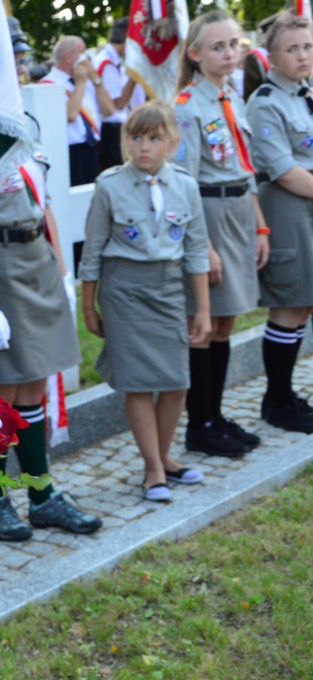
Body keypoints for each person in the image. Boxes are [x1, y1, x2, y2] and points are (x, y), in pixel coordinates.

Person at [0, 47, 100, 541]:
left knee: (35, 384)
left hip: (36, 259)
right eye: (6, 63)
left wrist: (61, 269)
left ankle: (42, 495)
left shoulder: (26, 125)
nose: (16, 71)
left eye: (19, 63)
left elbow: (45, 203)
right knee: (3, 391)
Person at [81, 102, 211, 502]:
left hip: (168, 289)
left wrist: (203, 309)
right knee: (138, 384)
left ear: (172, 143)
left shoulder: (186, 186)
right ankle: (153, 468)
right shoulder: (110, 185)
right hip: (125, 289)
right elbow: (93, 250)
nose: (143, 147)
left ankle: (165, 456)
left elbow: (196, 250)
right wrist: (89, 305)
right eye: (135, 137)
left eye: (154, 139)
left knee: (176, 382)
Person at [174, 10, 270, 458]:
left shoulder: (231, 97)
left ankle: (215, 412)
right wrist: (203, 248)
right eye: (218, 46)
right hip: (209, 216)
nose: (230, 53)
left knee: (228, 318)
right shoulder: (189, 107)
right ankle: (201, 423)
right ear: (196, 55)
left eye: (234, 44)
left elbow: (245, 168)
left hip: (238, 212)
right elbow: (186, 185)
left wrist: (260, 225)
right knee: (205, 324)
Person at [246, 11, 313, 433]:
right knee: (288, 305)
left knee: (304, 303)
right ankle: (277, 400)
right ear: (271, 56)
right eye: (292, 49)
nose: (303, 55)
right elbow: (284, 170)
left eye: (307, 47)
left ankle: (286, 395)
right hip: (287, 210)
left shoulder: (303, 95)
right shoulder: (266, 102)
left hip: (308, 206)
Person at [40, 36, 115, 186]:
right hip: (71, 152)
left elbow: (109, 110)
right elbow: (70, 114)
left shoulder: (86, 80)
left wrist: (95, 79)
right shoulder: (49, 84)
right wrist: (80, 83)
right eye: (82, 52)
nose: (86, 58)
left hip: (92, 148)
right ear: (69, 57)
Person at [93, 17, 146, 170]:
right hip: (111, 129)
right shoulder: (106, 63)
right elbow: (119, 103)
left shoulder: (110, 60)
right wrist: (134, 76)